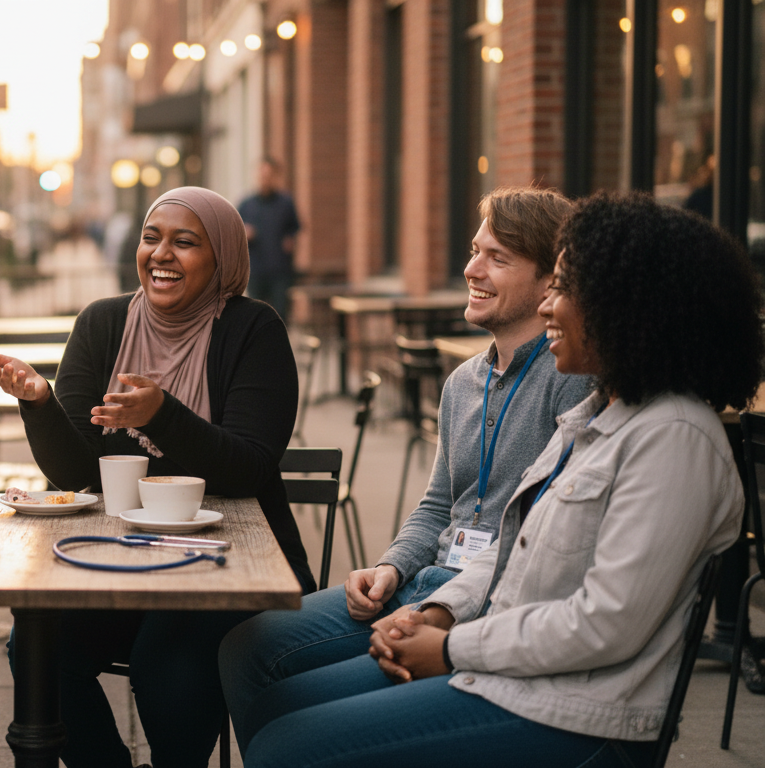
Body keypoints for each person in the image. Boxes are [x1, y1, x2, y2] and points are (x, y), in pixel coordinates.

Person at [241, 191, 764, 767]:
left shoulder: (675, 439)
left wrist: (449, 643)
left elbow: (606, 623)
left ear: (627, 305)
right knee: (280, 707)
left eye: (564, 289)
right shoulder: (600, 416)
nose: (548, 309)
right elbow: (514, 542)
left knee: (287, 745)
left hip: (578, 717)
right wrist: (435, 610)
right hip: (509, 675)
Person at [219, 186, 590, 754]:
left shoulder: (571, 381)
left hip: (487, 606)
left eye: (498, 258)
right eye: (474, 251)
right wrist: (390, 569)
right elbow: (439, 505)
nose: (472, 269)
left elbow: (544, 543)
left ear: (549, 282)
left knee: (286, 718)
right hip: (424, 581)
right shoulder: (462, 383)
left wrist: (435, 611)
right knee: (243, 647)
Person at [0, 186, 307, 768]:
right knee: (36, 644)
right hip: (115, 560)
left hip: (229, 568)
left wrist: (163, 415)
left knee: (169, 654)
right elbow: (78, 471)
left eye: (186, 242)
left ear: (223, 259)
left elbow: (249, 467)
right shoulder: (103, 324)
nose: (162, 254)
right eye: (151, 238)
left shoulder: (253, 329)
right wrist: (39, 404)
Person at [237, 158, 301, 321]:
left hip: (280, 270)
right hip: (255, 270)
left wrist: (290, 239)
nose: (264, 179)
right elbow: (235, 233)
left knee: (281, 314)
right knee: (255, 315)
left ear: (275, 177)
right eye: (261, 175)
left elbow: (295, 227)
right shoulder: (246, 205)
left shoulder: (286, 203)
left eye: (268, 175)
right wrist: (245, 233)